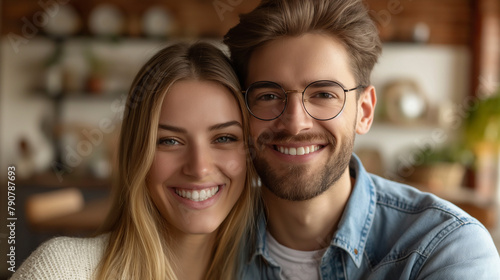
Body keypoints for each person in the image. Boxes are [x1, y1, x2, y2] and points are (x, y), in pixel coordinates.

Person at [224, 0, 500, 279]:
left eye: (324, 94)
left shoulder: (447, 248)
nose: (296, 124)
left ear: (364, 111)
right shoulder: (210, 239)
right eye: (269, 96)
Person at [11, 42, 258, 280]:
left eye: (224, 138)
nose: (199, 168)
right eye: (169, 141)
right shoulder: (63, 271)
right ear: (136, 155)